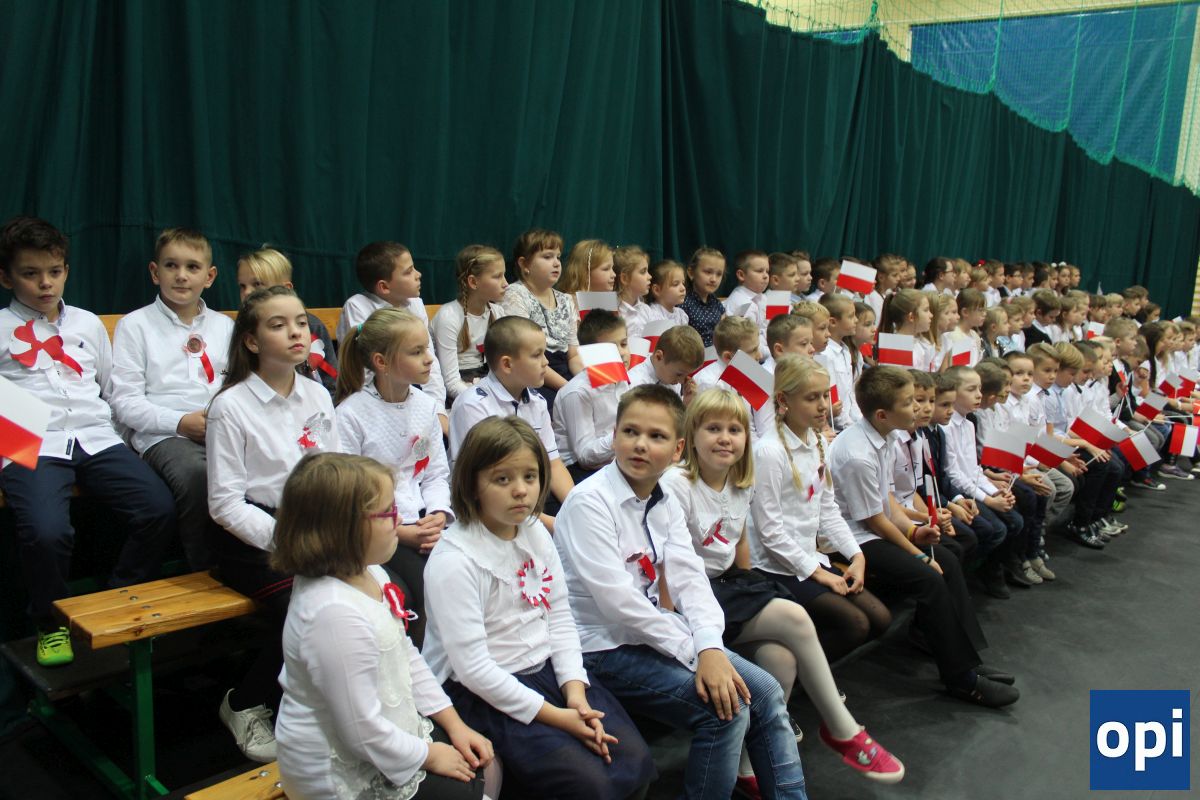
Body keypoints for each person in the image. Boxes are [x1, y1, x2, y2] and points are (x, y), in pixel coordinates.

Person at [555, 384, 810, 799]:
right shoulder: (589, 502)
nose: (640, 444)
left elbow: (690, 579)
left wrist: (709, 645)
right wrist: (695, 651)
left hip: (654, 632)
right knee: (727, 710)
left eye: (656, 436)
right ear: (614, 436)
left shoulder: (663, 498)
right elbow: (618, 604)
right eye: (630, 432)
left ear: (676, 450)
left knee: (764, 691)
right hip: (602, 646)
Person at [663, 387, 904, 787]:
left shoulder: (739, 482)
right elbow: (667, 564)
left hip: (725, 586)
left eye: (735, 430)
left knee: (782, 660)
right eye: (713, 428)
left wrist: (746, 581)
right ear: (691, 436)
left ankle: (744, 767)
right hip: (686, 597)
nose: (725, 438)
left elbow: (739, 543)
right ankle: (842, 728)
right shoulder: (677, 483)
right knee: (793, 615)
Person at [423, 417, 656, 800]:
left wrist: (575, 692)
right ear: (472, 484)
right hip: (484, 691)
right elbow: (474, 670)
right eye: (502, 479)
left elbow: (560, 618)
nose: (521, 490)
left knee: (635, 760)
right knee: (590, 784)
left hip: (547, 670)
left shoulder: (534, 531)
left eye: (530, 477)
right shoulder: (455, 560)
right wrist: (559, 717)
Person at [0, 216, 175, 667]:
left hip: (96, 436)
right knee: (46, 531)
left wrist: (127, 440)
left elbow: (109, 388)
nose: (45, 283)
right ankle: (51, 622)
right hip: (31, 440)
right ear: (6, 277)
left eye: (54, 271)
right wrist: (15, 438)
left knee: (157, 507)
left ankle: (118, 601)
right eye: (30, 273)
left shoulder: (86, 323)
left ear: (66, 271)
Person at [272, 452, 499, 800]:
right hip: (340, 770)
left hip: (384, 733)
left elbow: (403, 654)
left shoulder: (370, 572)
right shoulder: (332, 614)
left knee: (485, 764)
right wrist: (430, 755)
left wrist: (453, 723)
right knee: (475, 786)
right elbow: (359, 730)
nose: (399, 519)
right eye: (387, 512)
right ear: (345, 527)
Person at [828, 366, 1019, 707]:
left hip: (871, 527)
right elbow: (874, 521)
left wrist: (916, 529)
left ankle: (965, 656)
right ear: (883, 414)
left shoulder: (885, 437)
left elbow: (887, 502)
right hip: (851, 538)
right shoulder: (857, 454)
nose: (917, 408)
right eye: (908, 402)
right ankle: (961, 679)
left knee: (948, 558)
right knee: (929, 575)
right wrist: (915, 550)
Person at [207, 286, 340, 760]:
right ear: (251, 341)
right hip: (256, 538)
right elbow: (225, 504)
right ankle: (244, 702)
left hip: (316, 528)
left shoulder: (316, 393)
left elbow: (334, 469)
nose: (296, 333)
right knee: (307, 607)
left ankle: (338, 703)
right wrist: (290, 540)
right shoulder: (231, 406)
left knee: (385, 590)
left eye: (301, 322)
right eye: (278, 325)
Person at [109, 227, 232, 571]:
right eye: (171, 265)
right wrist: (179, 423)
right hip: (164, 436)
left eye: (192, 267)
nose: (181, 275)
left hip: (221, 428)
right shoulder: (135, 326)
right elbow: (125, 402)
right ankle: (206, 573)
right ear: (155, 272)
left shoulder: (224, 327)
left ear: (209, 277)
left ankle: (256, 566)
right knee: (198, 475)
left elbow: (237, 386)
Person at [336, 307, 451, 645]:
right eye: (416, 352)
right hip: (375, 530)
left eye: (427, 348)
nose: (429, 359)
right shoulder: (351, 414)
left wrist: (438, 514)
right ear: (381, 362)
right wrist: (402, 532)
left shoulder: (426, 407)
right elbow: (349, 497)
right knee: (421, 592)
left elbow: (435, 473)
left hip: (423, 524)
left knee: (456, 578)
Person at [430, 244, 508, 402]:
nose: (505, 283)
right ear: (473, 282)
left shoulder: (498, 312)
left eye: (504, 275)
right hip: (460, 391)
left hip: (486, 381)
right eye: (497, 276)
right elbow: (451, 383)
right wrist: (487, 401)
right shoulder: (449, 317)